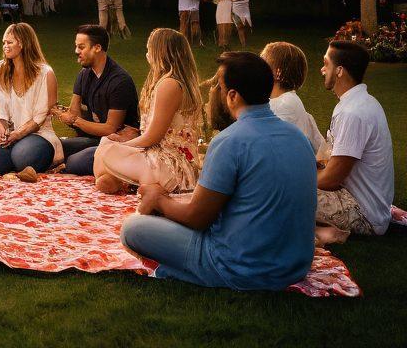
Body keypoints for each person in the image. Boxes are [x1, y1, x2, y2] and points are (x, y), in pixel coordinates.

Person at [120, 52, 317, 291]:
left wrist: (158, 200)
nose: (214, 93)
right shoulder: (298, 137)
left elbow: (198, 218)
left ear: (232, 96)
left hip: (240, 267)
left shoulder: (230, 141)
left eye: (218, 88)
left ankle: (190, 272)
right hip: (294, 265)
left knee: (133, 228)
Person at [94, 28, 202, 194]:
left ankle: (131, 182)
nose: (147, 55)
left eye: (148, 50)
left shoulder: (169, 85)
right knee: (108, 143)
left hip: (168, 165)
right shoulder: (175, 83)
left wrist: (123, 145)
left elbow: (153, 137)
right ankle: (121, 180)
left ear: (160, 53)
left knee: (109, 149)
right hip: (167, 158)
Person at [316, 40, 393, 238]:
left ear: (339, 70)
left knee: (283, 191)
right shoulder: (360, 102)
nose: (322, 69)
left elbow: (333, 179)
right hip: (363, 202)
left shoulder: (353, 112)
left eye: (326, 64)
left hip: (364, 213)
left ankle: (323, 234)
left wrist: (299, 179)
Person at [0, 23, 63, 175]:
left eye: (10, 42)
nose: (5, 46)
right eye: (4, 43)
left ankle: (11, 164)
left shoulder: (45, 73)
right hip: (12, 138)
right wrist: (2, 127)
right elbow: (3, 110)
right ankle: (15, 167)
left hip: (38, 136)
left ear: (23, 44)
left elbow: (39, 119)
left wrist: (16, 135)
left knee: (24, 154)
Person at [52, 24, 139, 176]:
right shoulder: (84, 74)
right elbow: (74, 112)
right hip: (94, 139)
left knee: (74, 162)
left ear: (97, 48)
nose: (76, 51)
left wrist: (74, 120)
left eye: (81, 47)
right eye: (76, 46)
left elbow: (110, 129)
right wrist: (56, 110)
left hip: (118, 143)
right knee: (53, 147)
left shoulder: (120, 81)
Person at [260, 42, 325, 154]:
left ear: (277, 73)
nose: (257, 69)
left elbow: (265, 149)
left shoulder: (284, 105)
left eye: (262, 64)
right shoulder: (287, 100)